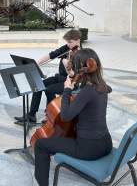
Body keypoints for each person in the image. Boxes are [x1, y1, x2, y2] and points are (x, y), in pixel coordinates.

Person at [34, 48, 113, 186]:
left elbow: (65, 116)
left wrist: (67, 89)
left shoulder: (87, 91)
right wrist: (75, 78)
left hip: (89, 148)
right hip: (106, 144)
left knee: (41, 145)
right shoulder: (102, 86)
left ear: (80, 69)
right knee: (66, 133)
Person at [15, 29, 81, 124]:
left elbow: (73, 75)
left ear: (78, 40)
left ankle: (50, 115)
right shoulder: (67, 48)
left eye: (70, 42)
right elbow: (51, 55)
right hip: (60, 78)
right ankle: (31, 115)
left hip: (71, 82)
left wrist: (67, 66)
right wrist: (36, 64)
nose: (69, 45)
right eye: (67, 42)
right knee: (39, 85)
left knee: (49, 89)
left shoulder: (81, 54)